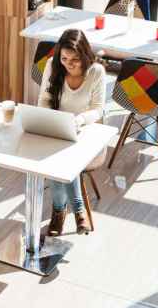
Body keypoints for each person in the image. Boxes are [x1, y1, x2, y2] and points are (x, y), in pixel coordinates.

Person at [37, 29, 106, 235]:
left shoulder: (96, 72)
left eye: (75, 59)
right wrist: (51, 119)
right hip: (57, 127)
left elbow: (98, 109)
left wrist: (79, 120)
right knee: (61, 152)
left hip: (85, 129)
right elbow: (44, 100)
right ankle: (78, 211)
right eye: (64, 58)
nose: (68, 63)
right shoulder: (52, 66)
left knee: (63, 157)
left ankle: (59, 211)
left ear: (84, 55)